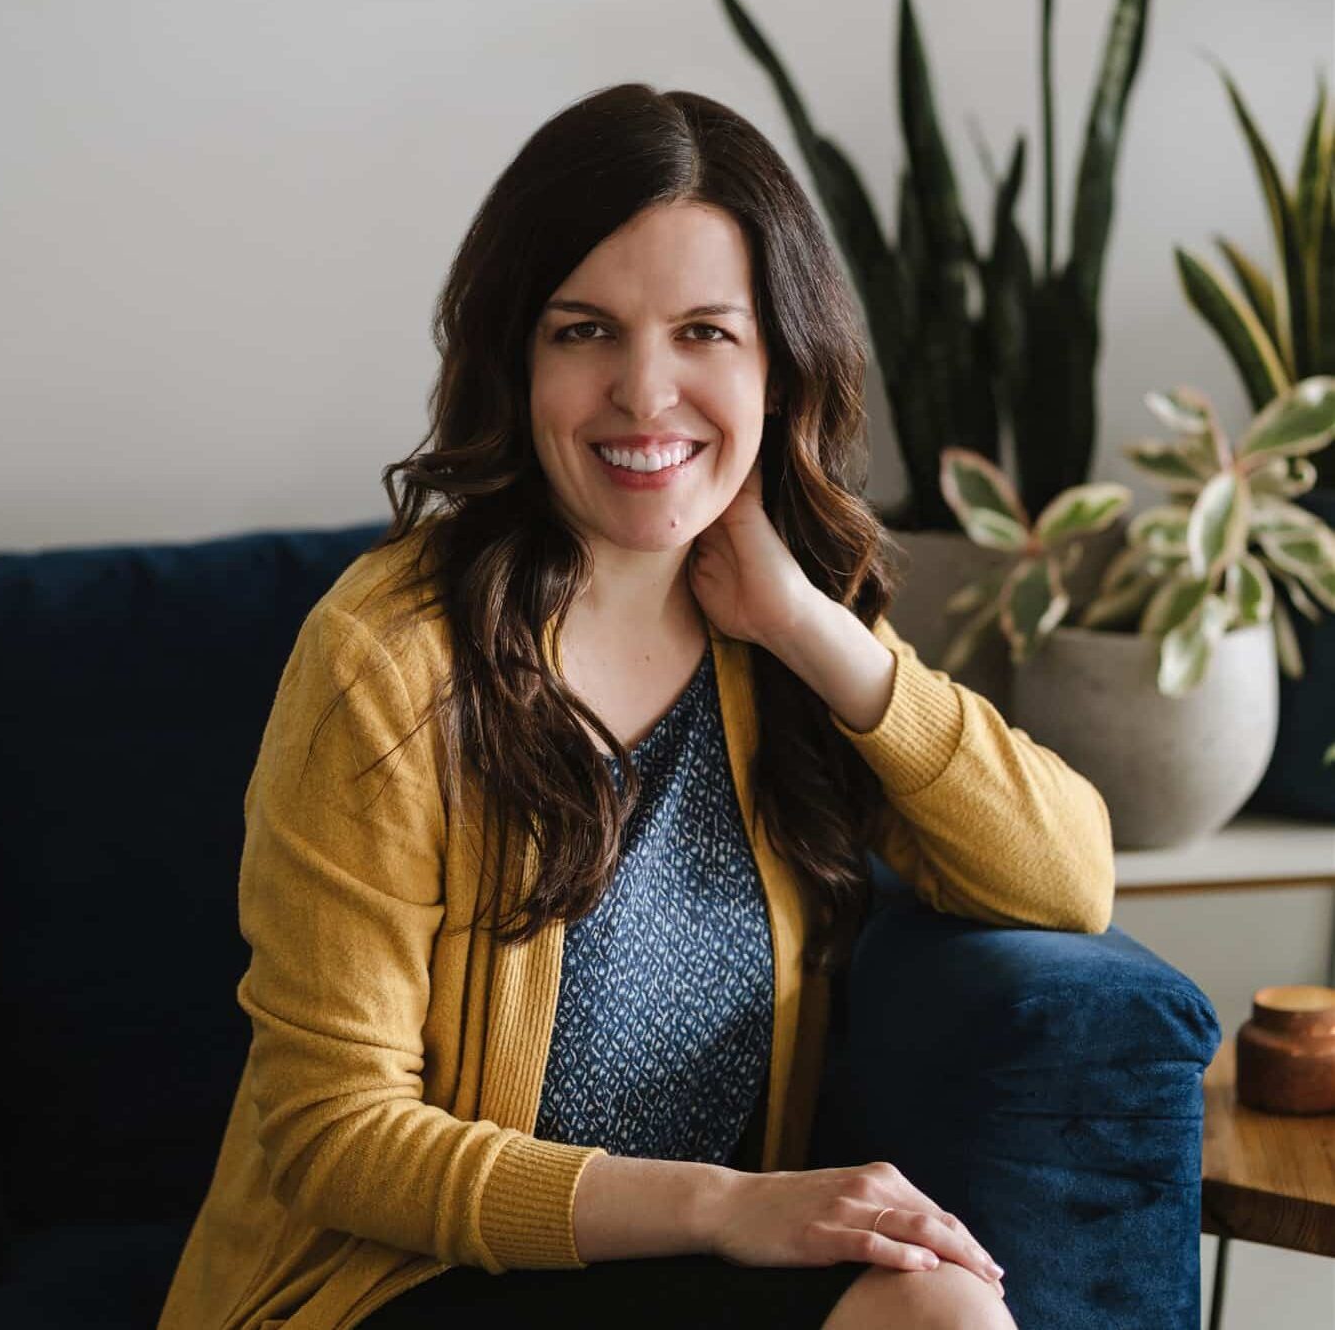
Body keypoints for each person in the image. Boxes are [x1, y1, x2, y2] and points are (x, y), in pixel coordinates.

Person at [159, 82, 1116, 1330]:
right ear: (516, 355)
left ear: (780, 360)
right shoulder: (383, 656)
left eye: (705, 333)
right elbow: (335, 1137)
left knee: (938, 1307)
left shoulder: (783, 631)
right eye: (583, 331)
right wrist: (725, 1207)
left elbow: (1067, 878)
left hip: (671, 1283)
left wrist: (811, 629)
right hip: (392, 1286)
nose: (644, 393)